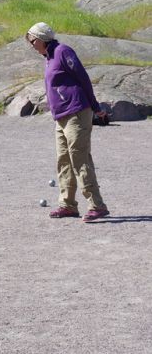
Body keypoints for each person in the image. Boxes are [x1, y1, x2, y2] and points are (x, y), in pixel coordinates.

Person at [26, 22, 110, 222]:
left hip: (77, 112)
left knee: (79, 158)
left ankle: (97, 205)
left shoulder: (63, 51)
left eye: (32, 40)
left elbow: (83, 79)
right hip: (61, 116)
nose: (31, 44)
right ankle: (68, 205)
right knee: (63, 160)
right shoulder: (48, 57)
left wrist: (96, 107)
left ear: (41, 38)